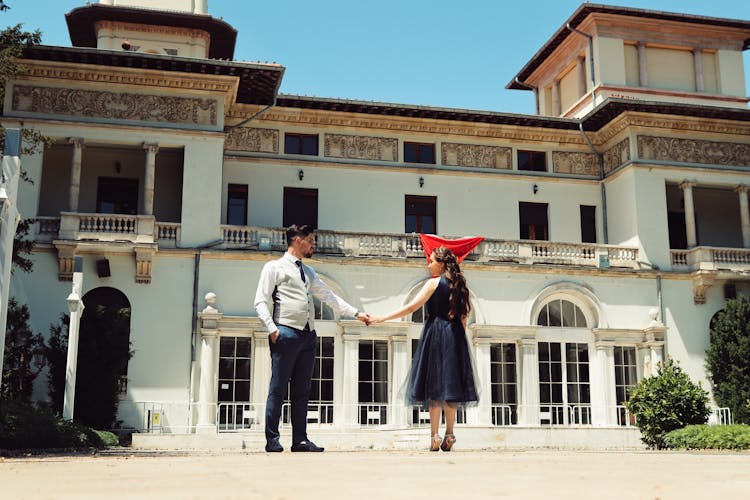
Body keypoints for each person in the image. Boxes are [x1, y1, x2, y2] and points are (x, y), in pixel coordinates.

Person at [255, 224, 371, 453]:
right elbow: (260, 300)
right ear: (297, 241)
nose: (313, 245)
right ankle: (272, 440)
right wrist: (272, 328)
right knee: (278, 389)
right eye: (310, 240)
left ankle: (300, 440)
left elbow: (329, 297)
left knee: (302, 391)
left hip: (308, 335)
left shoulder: (309, 272)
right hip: (285, 331)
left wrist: (356, 314)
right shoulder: (274, 267)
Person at [370, 247, 478, 452]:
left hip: (435, 334)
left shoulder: (433, 284)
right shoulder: (460, 286)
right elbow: (464, 318)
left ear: (441, 263)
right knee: (451, 388)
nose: (428, 265)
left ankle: (434, 435)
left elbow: (411, 307)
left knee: (434, 387)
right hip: (455, 337)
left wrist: (381, 318)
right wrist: (458, 342)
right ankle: (450, 433)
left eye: (431, 261)